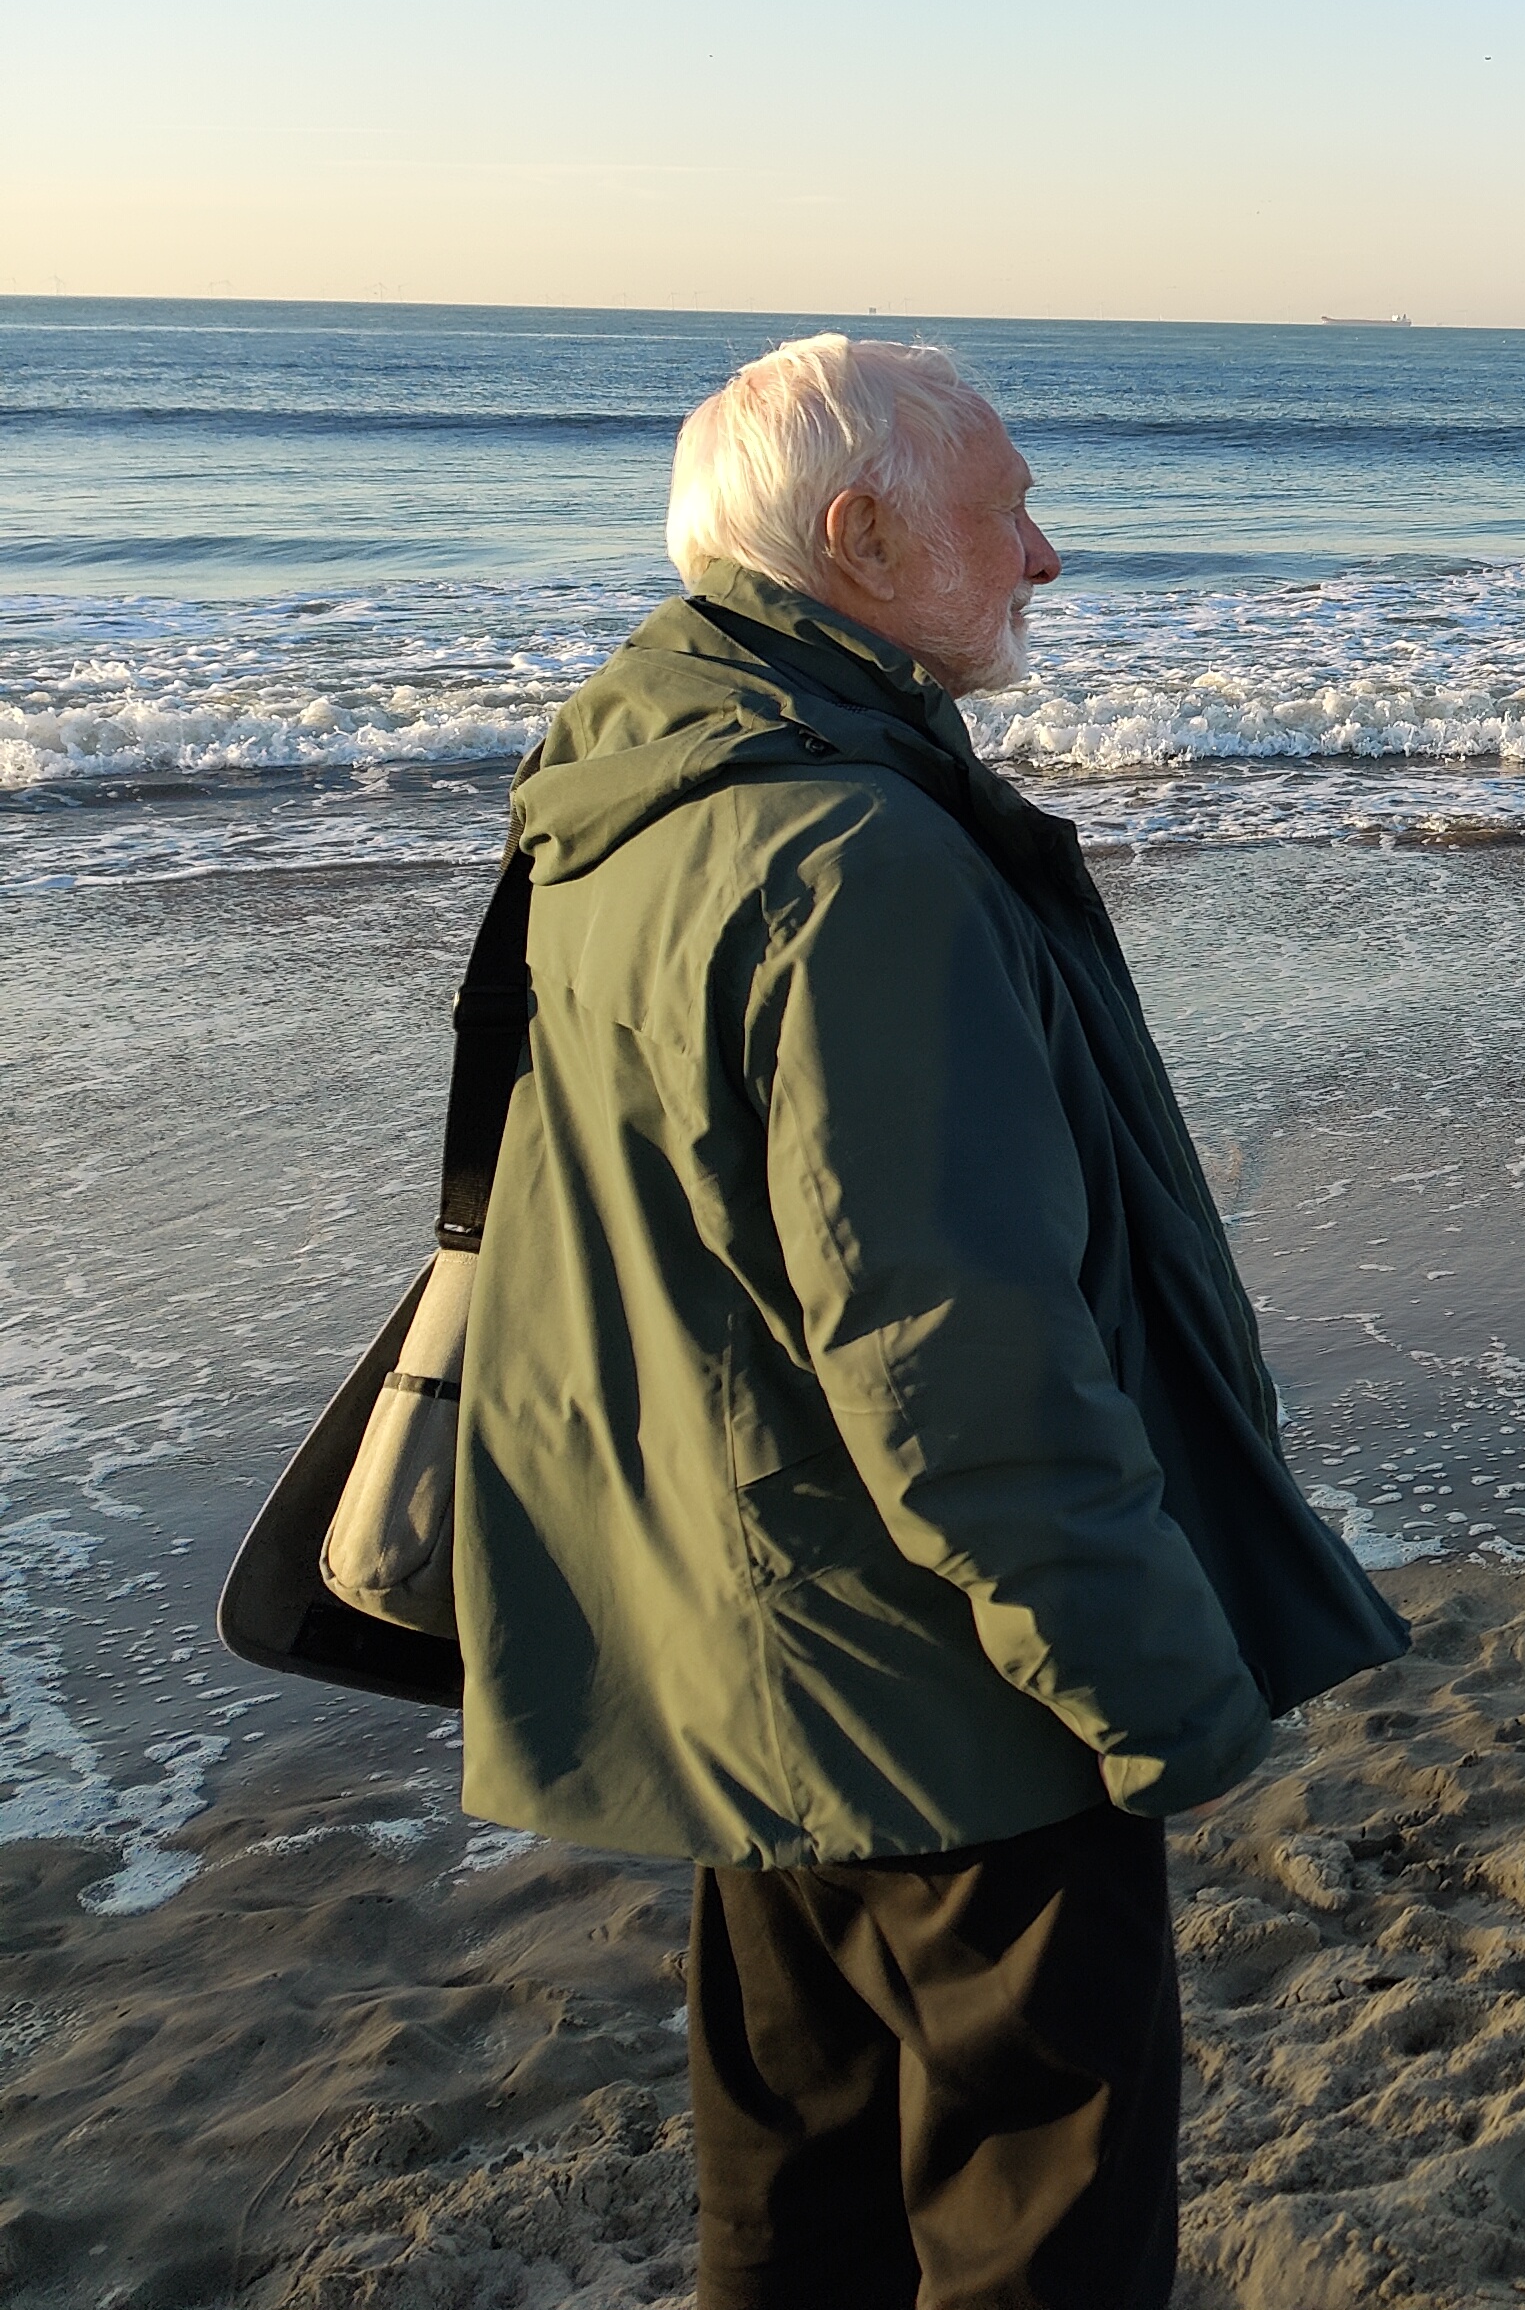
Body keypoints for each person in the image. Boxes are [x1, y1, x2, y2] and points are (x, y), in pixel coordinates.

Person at [454, 333, 1403, 2309]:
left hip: (749, 1657)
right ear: (862, 536)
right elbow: (955, 1360)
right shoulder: (853, 856)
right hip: (950, 1712)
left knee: (796, 2210)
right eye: (1009, 511)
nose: (1046, 557)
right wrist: (1155, 1692)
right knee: (1035, 2234)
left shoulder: (631, 793)